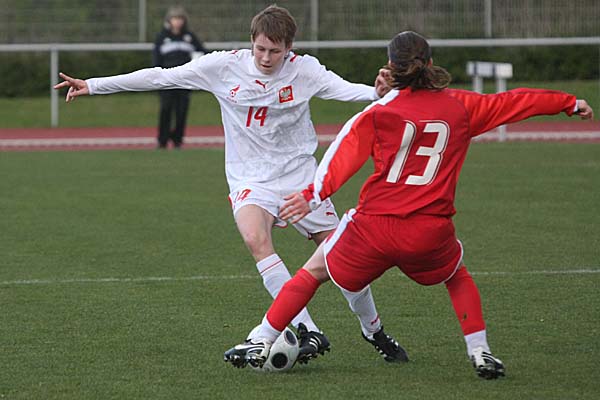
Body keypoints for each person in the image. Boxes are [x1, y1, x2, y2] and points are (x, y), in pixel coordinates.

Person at [223, 31, 594, 378]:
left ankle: (263, 338)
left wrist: (311, 195)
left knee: (312, 273)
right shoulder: (461, 106)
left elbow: (342, 155)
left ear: (391, 67)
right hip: (429, 230)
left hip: (373, 227)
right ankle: (480, 350)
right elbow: (515, 101)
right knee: (456, 275)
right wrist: (568, 102)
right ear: (429, 64)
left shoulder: (381, 111)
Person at [53, 6, 403, 364]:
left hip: (300, 178)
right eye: (260, 49)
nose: (266, 58)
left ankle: (373, 329)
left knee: (344, 261)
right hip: (250, 178)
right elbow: (160, 77)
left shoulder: (305, 70)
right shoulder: (222, 66)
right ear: (251, 42)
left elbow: (346, 90)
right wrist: (93, 85)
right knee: (255, 239)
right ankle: (306, 328)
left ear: (289, 48)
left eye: (275, 51)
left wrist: (378, 94)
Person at [153, 6, 207, 149]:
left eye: (180, 19)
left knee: (181, 110)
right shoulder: (162, 37)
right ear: (169, 20)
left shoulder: (190, 37)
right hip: (166, 79)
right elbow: (156, 58)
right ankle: (162, 140)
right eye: (174, 19)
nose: (177, 22)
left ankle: (177, 140)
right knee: (165, 109)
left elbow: (202, 53)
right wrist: (156, 77)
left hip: (184, 80)